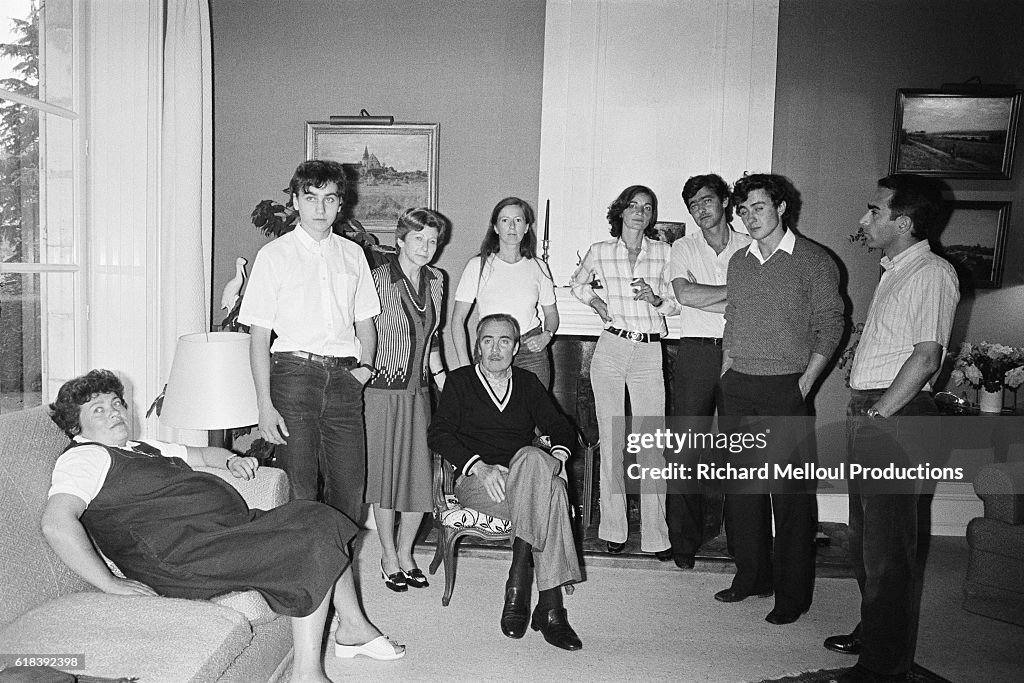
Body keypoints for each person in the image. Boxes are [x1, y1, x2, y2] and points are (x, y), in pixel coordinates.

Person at [42, 370, 404, 683]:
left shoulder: (141, 447)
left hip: (215, 535)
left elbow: (200, 454)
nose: (114, 413)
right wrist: (108, 582)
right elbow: (57, 524)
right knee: (308, 542)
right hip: (180, 557)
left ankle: (353, 628)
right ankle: (307, 673)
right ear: (77, 426)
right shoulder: (86, 458)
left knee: (317, 515)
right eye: (98, 410)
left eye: (116, 403)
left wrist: (230, 461)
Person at [826, 174, 959, 683]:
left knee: (888, 552)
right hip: (878, 410)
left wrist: (878, 416)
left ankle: (884, 668)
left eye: (874, 211)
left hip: (898, 417)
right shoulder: (897, 269)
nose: (864, 220)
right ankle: (874, 634)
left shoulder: (931, 273)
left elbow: (926, 358)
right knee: (865, 542)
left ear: (902, 222)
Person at [717, 173, 843, 625]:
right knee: (742, 491)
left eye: (759, 208)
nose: (750, 218)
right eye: (744, 211)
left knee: (790, 497)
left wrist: (805, 384)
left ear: (781, 207)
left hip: (786, 386)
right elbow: (733, 318)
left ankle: (792, 596)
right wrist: (727, 371)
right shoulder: (739, 262)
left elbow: (831, 324)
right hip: (738, 387)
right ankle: (752, 576)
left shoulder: (814, 260)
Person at [428, 313, 583, 651]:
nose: (495, 348)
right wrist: (478, 466)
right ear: (477, 347)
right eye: (487, 341)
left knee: (532, 460)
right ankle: (550, 608)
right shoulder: (461, 382)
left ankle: (519, 581)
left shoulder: (527, 383)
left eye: (504, 341)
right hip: (479, 483)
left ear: (515, 348)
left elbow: (561, 427)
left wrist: (555, 458)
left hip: (523, 475)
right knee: (553, 490)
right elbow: (438, 433)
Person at [239, 160, 381, 521]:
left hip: (345, 381)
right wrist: (264, 405)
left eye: (329, 199)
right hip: (293, 377)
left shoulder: (353, 255)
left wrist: (365, 368)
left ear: (340, 203)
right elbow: (258, 337)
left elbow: (366, 322)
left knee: (350, 489)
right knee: (300, 490)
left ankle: (338, 573)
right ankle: (307, 575)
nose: (320, 208)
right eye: (311, 197)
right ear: (297, 201)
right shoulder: (273, 256)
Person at [570, 185, 680, 557]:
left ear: (652, 216)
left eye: (647, 208)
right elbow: (577, 285)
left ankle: (657, 537)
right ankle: (614, 530)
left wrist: (657, 299)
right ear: (620, 212)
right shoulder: (601, 252)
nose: (640, 212)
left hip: (649, 350)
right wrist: (599, 305)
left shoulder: (665, 253)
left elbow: (677, 303)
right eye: (633, 206)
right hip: (612, 349)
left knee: (652, 447)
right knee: (613, 441)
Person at [665, 173, 752, 569]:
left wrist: (710, 297)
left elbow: (758, 301)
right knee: (684, 450)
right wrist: (738, 296)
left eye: (706, 201)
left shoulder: (751, 245)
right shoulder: (682, 247)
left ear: (724, 202)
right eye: (693, 205)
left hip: (743, 353)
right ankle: (684, 544)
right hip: (696, 355)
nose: (700, 210)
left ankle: (742, 543)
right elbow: (684, 295)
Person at [365, 208, 448, 593]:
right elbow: (361, 333)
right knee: (386, 477)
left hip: (420, 392)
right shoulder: (377, 280)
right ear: (400, 240)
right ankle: (386, 555)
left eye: (432, 241)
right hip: (382, 392)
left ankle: (407, 552)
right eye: (418, 239)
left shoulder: (438, 282)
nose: (426, 247)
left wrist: (446, 383)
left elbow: (431, 340)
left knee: (419, 478)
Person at [451, 197, 559, 387]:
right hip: (491, 349)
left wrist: (546, 335)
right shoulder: (478, 266)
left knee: (534, 413)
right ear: (495, 227)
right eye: (504, 220)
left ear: (526, 227)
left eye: (518, 220)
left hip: (531, 351)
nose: (511, 226)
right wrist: (465, 366)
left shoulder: (538, 267)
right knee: (489, 414)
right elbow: (458, 319)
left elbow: (551, 313)